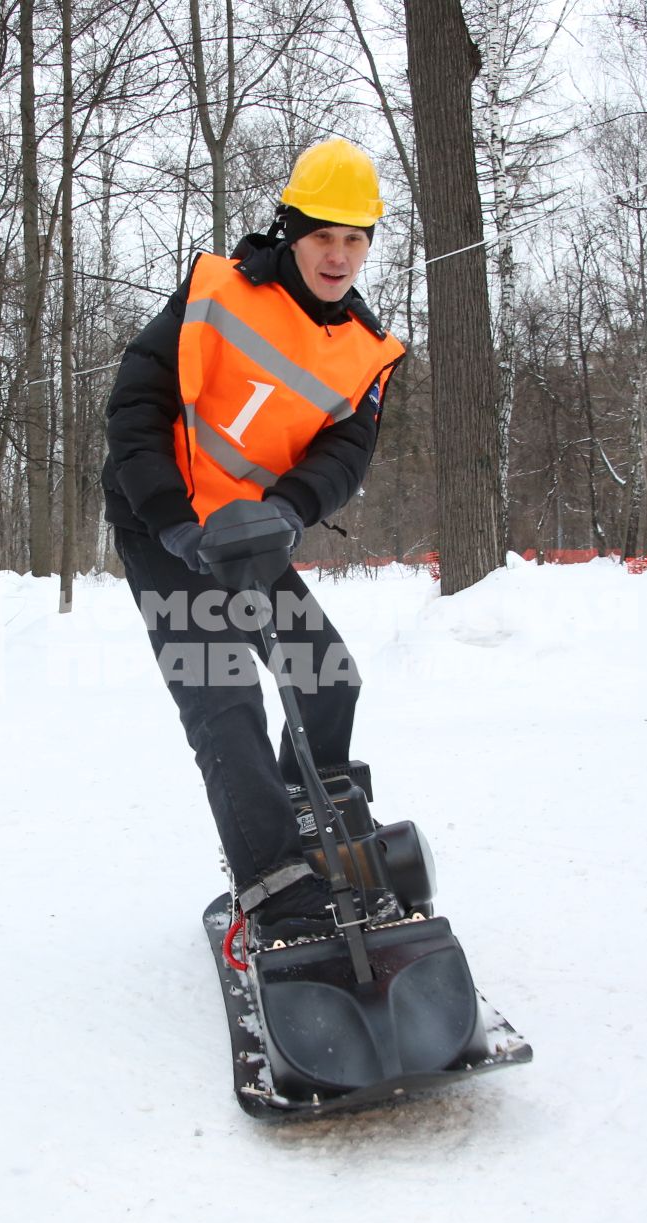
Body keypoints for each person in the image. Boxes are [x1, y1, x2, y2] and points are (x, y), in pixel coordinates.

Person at [102, 139, 406, 945]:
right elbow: (136, 406)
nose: (339, 256)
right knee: (225, 699)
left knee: (326, 678)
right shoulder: (216, 296)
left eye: (356, 238)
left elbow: (347, 451)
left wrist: (288, 509)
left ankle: (315, 827)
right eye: (323, 237)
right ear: (291, 231)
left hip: (252, 532)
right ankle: (273, 886)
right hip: (166, 529)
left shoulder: (366, 351)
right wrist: (170, 517)